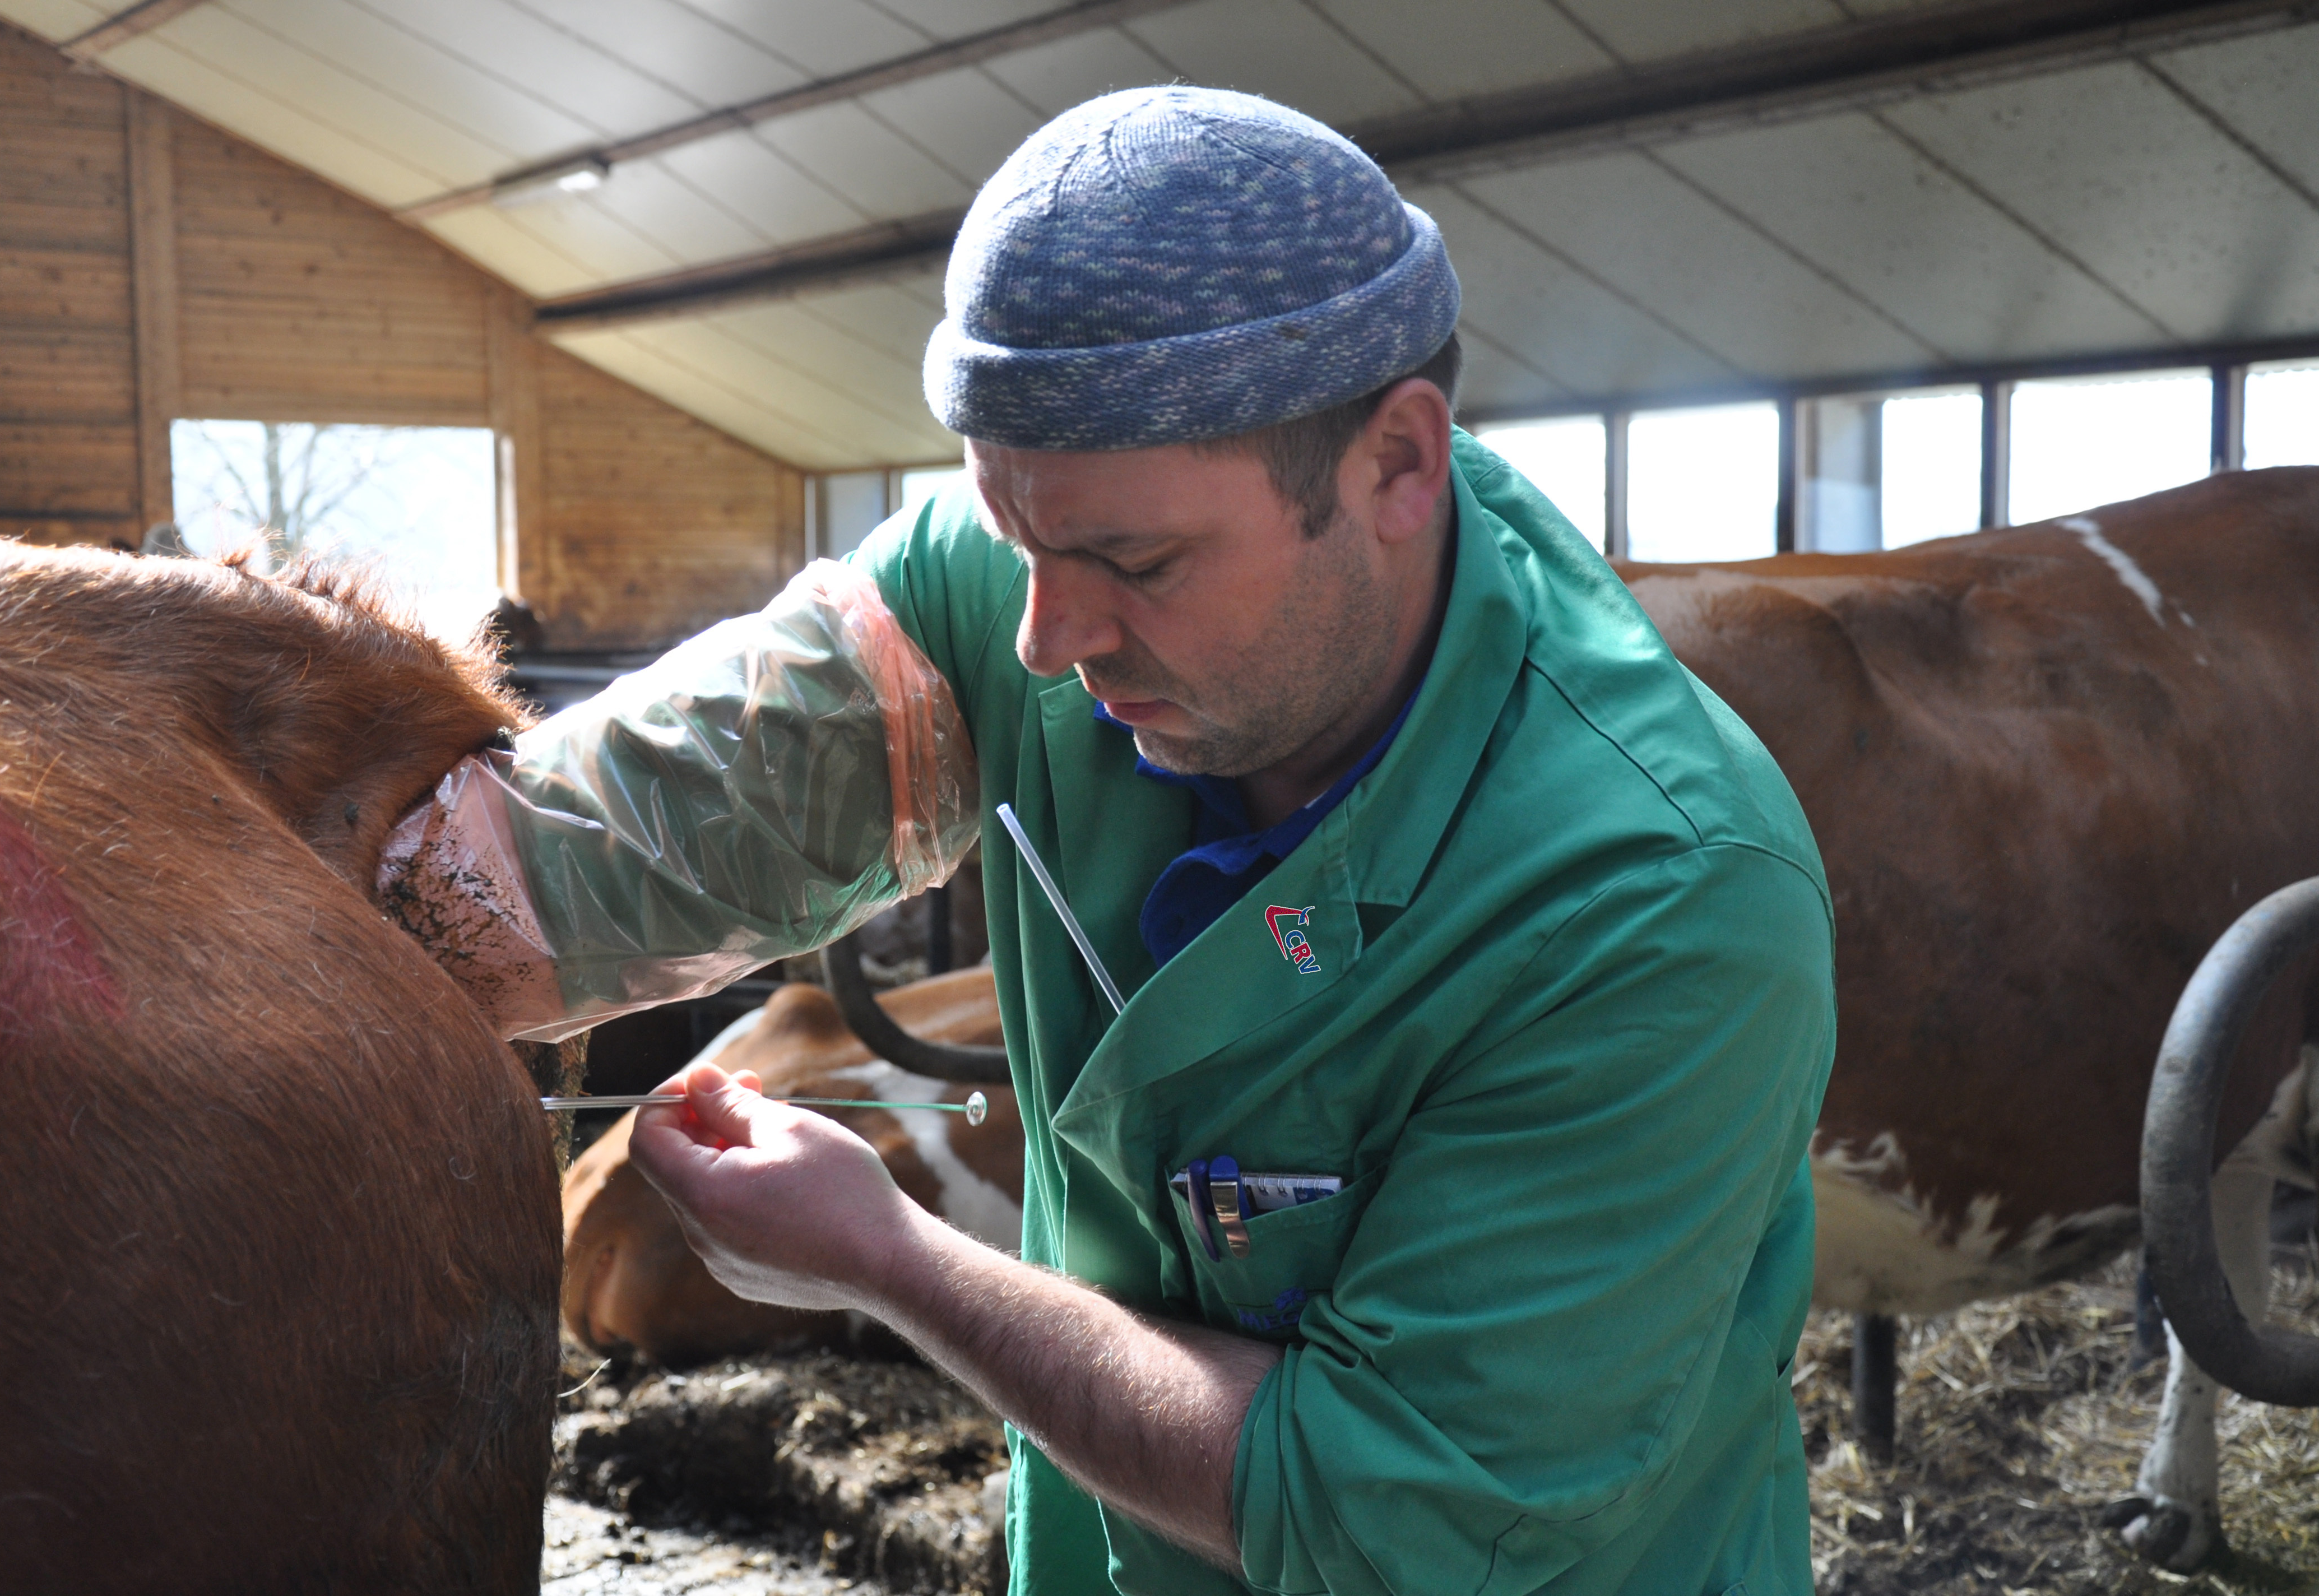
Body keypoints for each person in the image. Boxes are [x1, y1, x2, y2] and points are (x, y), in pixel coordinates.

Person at [384, 87, 1835, 1596]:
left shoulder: (1660, 901)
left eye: (1137, 563)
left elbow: (1375, 1516)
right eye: (1012, 542)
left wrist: (893, 1264)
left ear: (1399, 465)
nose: (1041, 637)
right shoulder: (1056, 580)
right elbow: (597, 845)